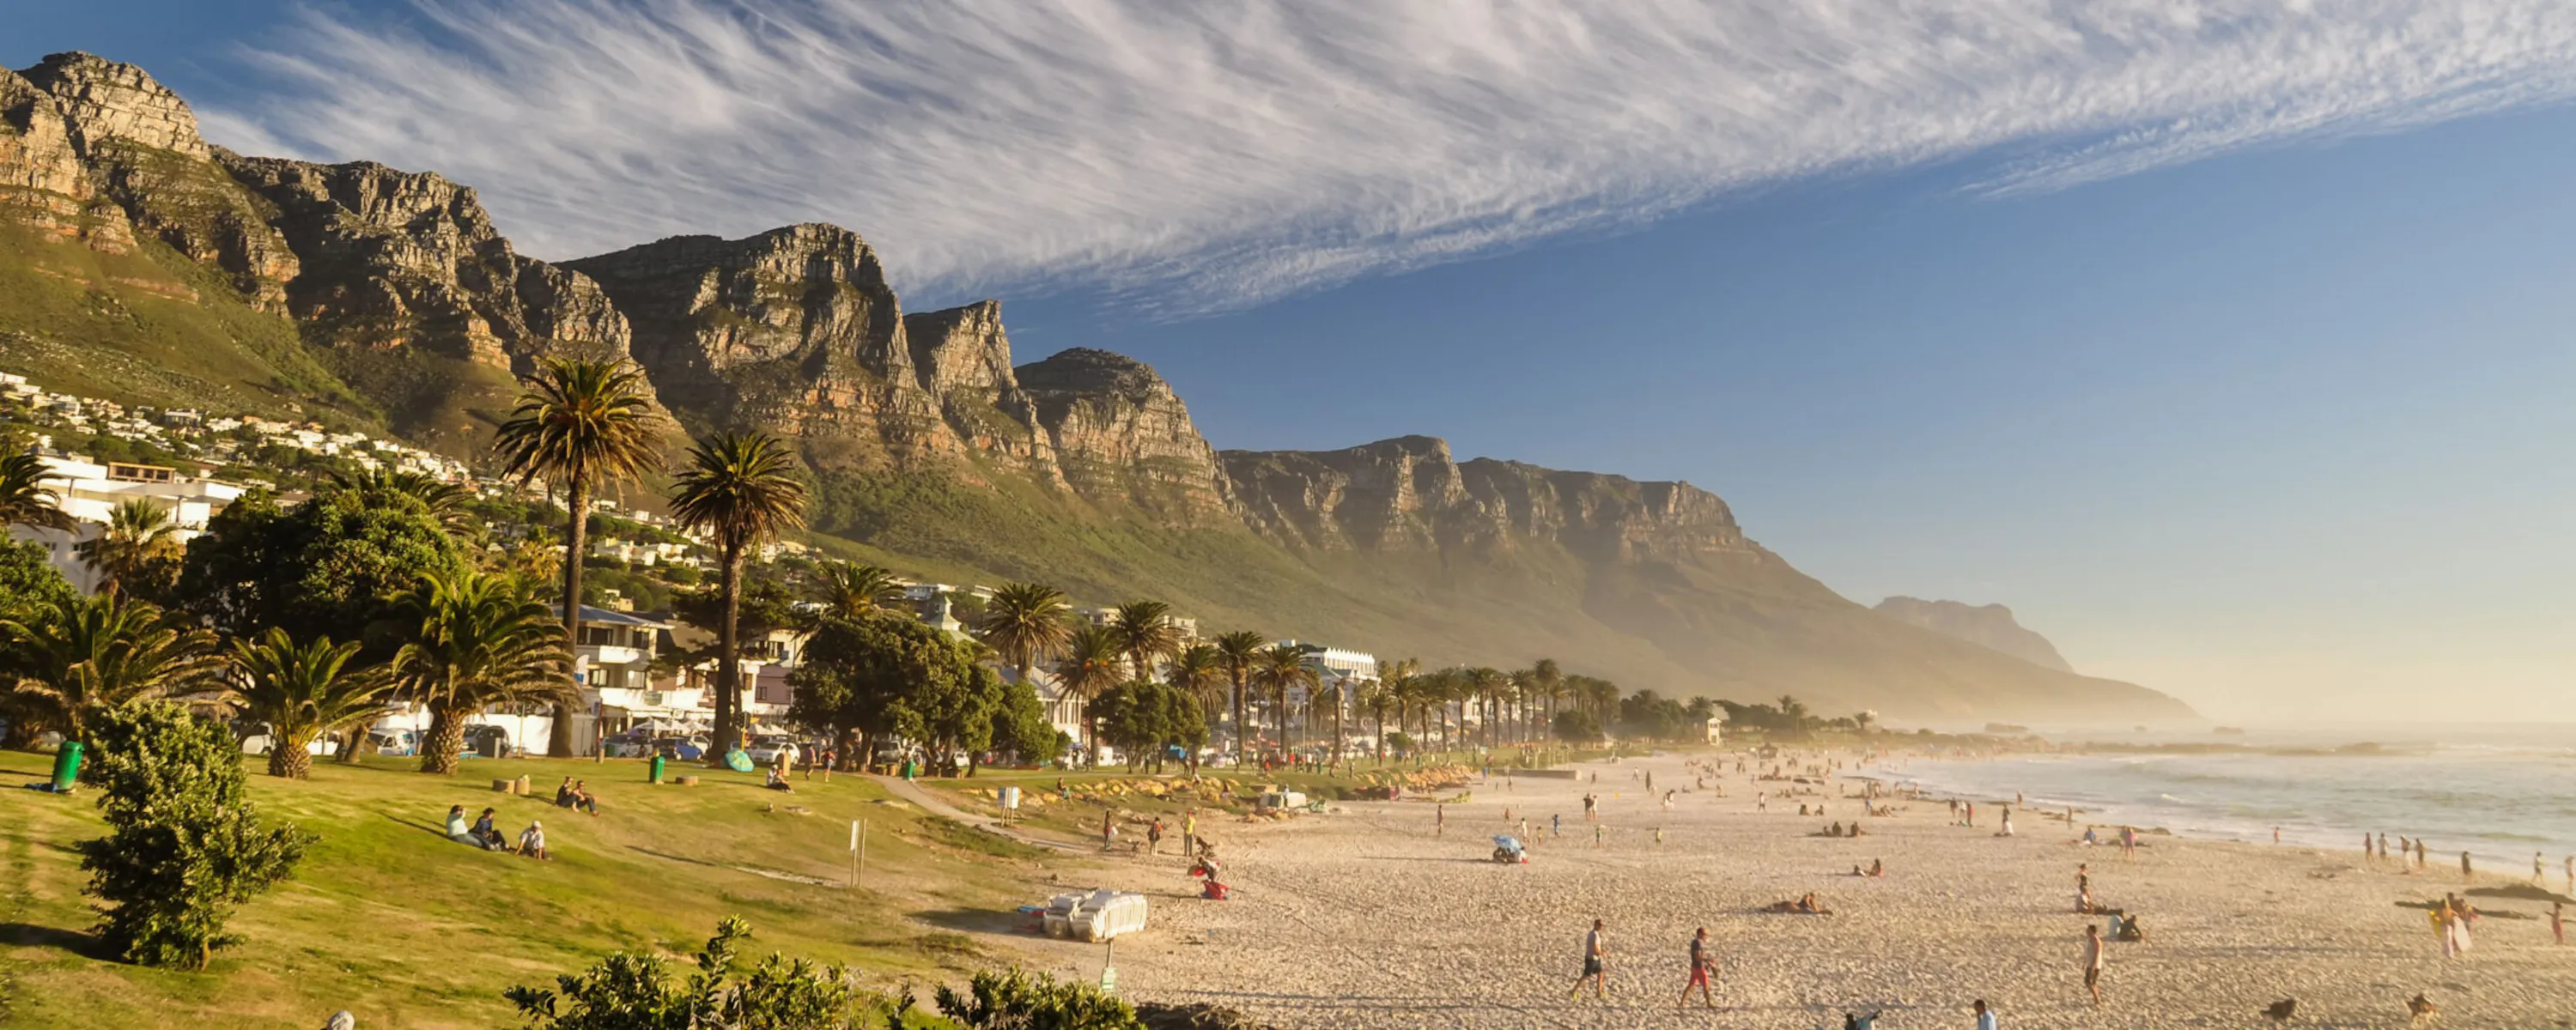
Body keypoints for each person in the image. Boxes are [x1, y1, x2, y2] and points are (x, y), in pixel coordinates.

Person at [1570, 918, 1610, 999]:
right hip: (1592, 958)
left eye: (1602, 925)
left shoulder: (1592, 934)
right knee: (1586, 976)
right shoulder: (1595, 935)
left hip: (1595, 958)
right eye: (1599, 925)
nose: (1601, 927)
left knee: (1600, 974)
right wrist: (1601, 953)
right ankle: (1574, 990)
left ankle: (1599, 992)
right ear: (1595, 925)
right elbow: (1595, 948)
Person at [1678, 926, 1715, 1009]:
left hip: (1694, 967)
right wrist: (1708, 960)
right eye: (1705, 935)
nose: (1706, 937)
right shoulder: (1698, 943)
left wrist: (1706, 963)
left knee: (1691, 985)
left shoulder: (1695, 942)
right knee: (1706, 985)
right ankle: (1709, 1004)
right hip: (1699, 968)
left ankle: (1682, 1002)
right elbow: (1697, 957)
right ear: (1700, 934)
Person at [2081, 923, 2104, 1006]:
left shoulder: (2096, 941)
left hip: (2095, 965)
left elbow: (2097, 953)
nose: (2086, 932)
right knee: (2092, 983)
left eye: (2088, 930)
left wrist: (2094, 965)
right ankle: (2097, 998)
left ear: (2092, 931)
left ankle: (2097, 999)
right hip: (2090, 964)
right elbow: (2087, 952)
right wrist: (2084, 963)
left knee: (2088, 982)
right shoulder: (2089, 940)